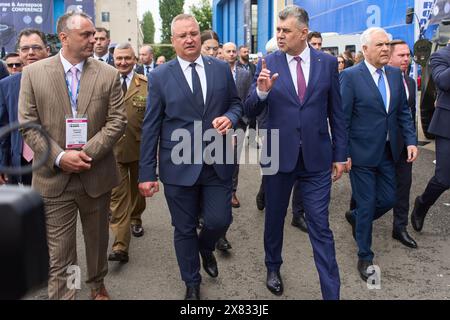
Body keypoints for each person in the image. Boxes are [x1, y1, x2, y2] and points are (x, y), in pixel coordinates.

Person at [18, 11, 126, 300]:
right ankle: (66, 294)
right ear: (64, 37)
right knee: (61, 252)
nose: (95, 39)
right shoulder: (33, 73)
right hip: (54, 178)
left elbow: (117, 121)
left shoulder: (109, 74)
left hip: (96, 174)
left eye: (94, 35)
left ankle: (96, 284)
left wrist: (85, 153)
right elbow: (28, 124)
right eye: (87, 35)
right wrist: (60, 157)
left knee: (97, 241)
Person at [244, 5, 347, 300]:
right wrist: (261, 91)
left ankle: (331, 291)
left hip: (317, 158)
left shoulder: (327, 63)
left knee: (320, 224)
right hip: (278, 154)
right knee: (275, 217)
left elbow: (336, 113)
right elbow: (251, 108)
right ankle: (272, 266)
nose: (279, 35)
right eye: (277, 30)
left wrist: (340, 154)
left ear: (304, 33)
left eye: (285, 31)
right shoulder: (267, 61)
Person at [138, 14, 242, 300]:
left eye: (193, 33)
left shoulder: (221, 69)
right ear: (173, 41)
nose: (189, 39)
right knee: (183, 228)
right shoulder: (159, 76)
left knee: (219, 220)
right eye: (182, 35)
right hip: (178, 165)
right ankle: (192, 283)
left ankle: (206, 247)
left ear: (201, 35)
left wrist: (230, 118)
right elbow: (151, 126)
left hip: (217, 161)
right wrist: (147, 173)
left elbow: (236, 103)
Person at [341, 27, 417, 282]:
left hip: (388, 151)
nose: (386, 49)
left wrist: (411, 140)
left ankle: (357, 217)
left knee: (388, 199)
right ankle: (365, 255)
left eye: (387, 44)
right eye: (380, 45)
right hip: (360, 153)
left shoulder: (395, 75)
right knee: (366, 202)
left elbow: (403, 112)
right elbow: (343, 118)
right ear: (365, 49)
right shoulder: (351, 76)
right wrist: (343, 153)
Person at [108, 43, 147, 263]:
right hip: (113, 151)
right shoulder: (106, 83)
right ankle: (121, 245)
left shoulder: (145, 85)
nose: (123, 62)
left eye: (127, 58)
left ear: (135, 60)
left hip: (140, 148)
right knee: (117, 197)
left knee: (138, 191)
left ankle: (136, 218)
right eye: (119, 58)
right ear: (114, 59)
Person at [0, 29, 50, 186]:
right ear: (19, 53)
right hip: (21, 162)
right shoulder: (7, 85)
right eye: (25, 49)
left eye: (36, 48)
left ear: (47, 51)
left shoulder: (62, 81)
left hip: (53, 159)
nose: (30, 53)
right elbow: (4, 129)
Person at [411, 41, 450, 232]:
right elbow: (443, 81)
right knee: (444, 178)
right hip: (447, 126)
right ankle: (422, 204)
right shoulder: (440, 56)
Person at [217, 41, 252, 251]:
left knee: (234, 161)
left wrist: (244, 122)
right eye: (227, 51)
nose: (230, 54)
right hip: (215, 125)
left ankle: (232, 190)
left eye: (233, 51)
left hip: (237, 123)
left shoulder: (244, 74)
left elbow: (246, 99)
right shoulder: (216, 72)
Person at [387, 39, 418, 248]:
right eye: (401, 55)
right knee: (374, 190)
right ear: (388, 56)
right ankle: (357, 213)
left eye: (408, 55)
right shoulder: (378, 80)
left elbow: (409, 115)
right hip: (379, 145)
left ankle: (400, 227)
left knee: (404, 186)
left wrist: (412, 142)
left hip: (403, 145)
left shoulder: (410, 82)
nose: (406, 59)